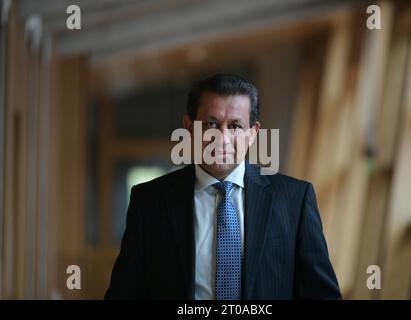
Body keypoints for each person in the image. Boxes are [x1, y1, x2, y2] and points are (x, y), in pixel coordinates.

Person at [105, 73, 341, 299]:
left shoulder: (295, 200)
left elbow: (321, 294)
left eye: (235, 126)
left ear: (252, 133)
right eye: (211, 124)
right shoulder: (149, 201)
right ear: (189, 127)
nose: (223, 138)